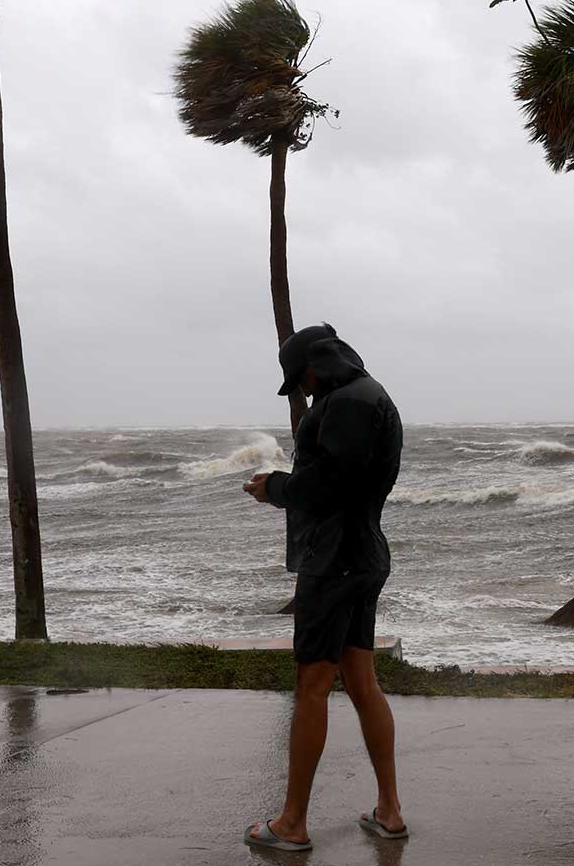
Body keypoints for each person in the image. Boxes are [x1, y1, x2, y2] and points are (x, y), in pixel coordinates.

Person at [240, 323, 407, 853]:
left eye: (301, 381)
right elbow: (350, 476)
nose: (303, 391)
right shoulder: (367, 395)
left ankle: (292, 824)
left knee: (312, 684)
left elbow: (334, 479)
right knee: (361, 680)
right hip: (361, 554)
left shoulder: (347, 402)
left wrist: (276, 487)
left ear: (315, 365)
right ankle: (389, 810)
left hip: (334, 561)